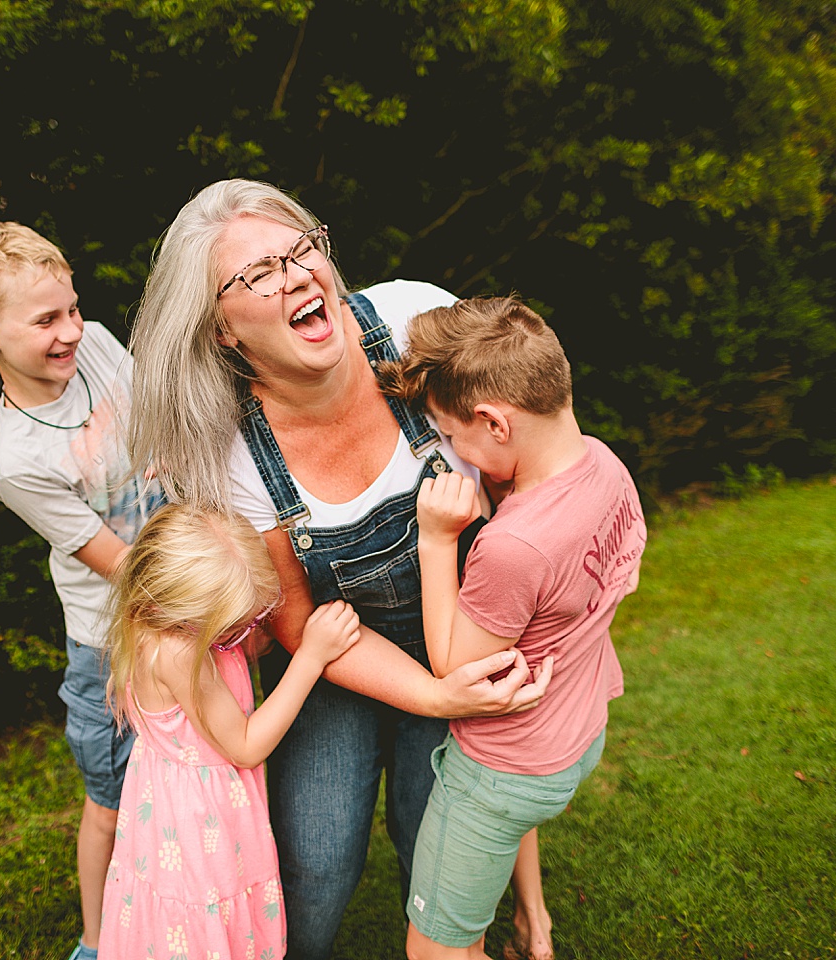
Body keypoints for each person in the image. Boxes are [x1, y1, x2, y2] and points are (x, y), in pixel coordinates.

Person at [127, 179, 551, 959]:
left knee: (441, 843)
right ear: (223, 330)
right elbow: (291, 615)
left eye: (301, 249)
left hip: (462, 623)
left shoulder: (413, 320)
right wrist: (430, 693)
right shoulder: (232, 452)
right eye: (256, 274)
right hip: (333, 650)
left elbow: (529, 443)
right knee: (316, 859)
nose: (294, 275)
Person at [380, 296, 646, 960]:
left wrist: (438, 542)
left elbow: (454, 671)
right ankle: (536, 926)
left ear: (494, 421)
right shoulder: (605, 467)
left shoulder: (513, 547)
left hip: (503, 769)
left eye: (447, 432)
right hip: (577, 733)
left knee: (438, 948)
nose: (446, 450)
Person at [0, 218, 165, 960]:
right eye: (45, 320)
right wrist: (215, 589)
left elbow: (163, 432)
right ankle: (98, 943)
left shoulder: (97, 343)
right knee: (112, 799)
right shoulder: (16, 458)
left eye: (71, 308)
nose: (71, 330)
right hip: (114, 641)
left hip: (189, 601)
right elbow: (119, 562)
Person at [98, 504, 362, 959]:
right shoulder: (180, 653)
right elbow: (245, 745)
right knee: (205, 923)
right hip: (201, 824)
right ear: (181, 612)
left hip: (168, 804)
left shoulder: (156, 623)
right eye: (235, 627)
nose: (245, 634)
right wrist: (310, 657)